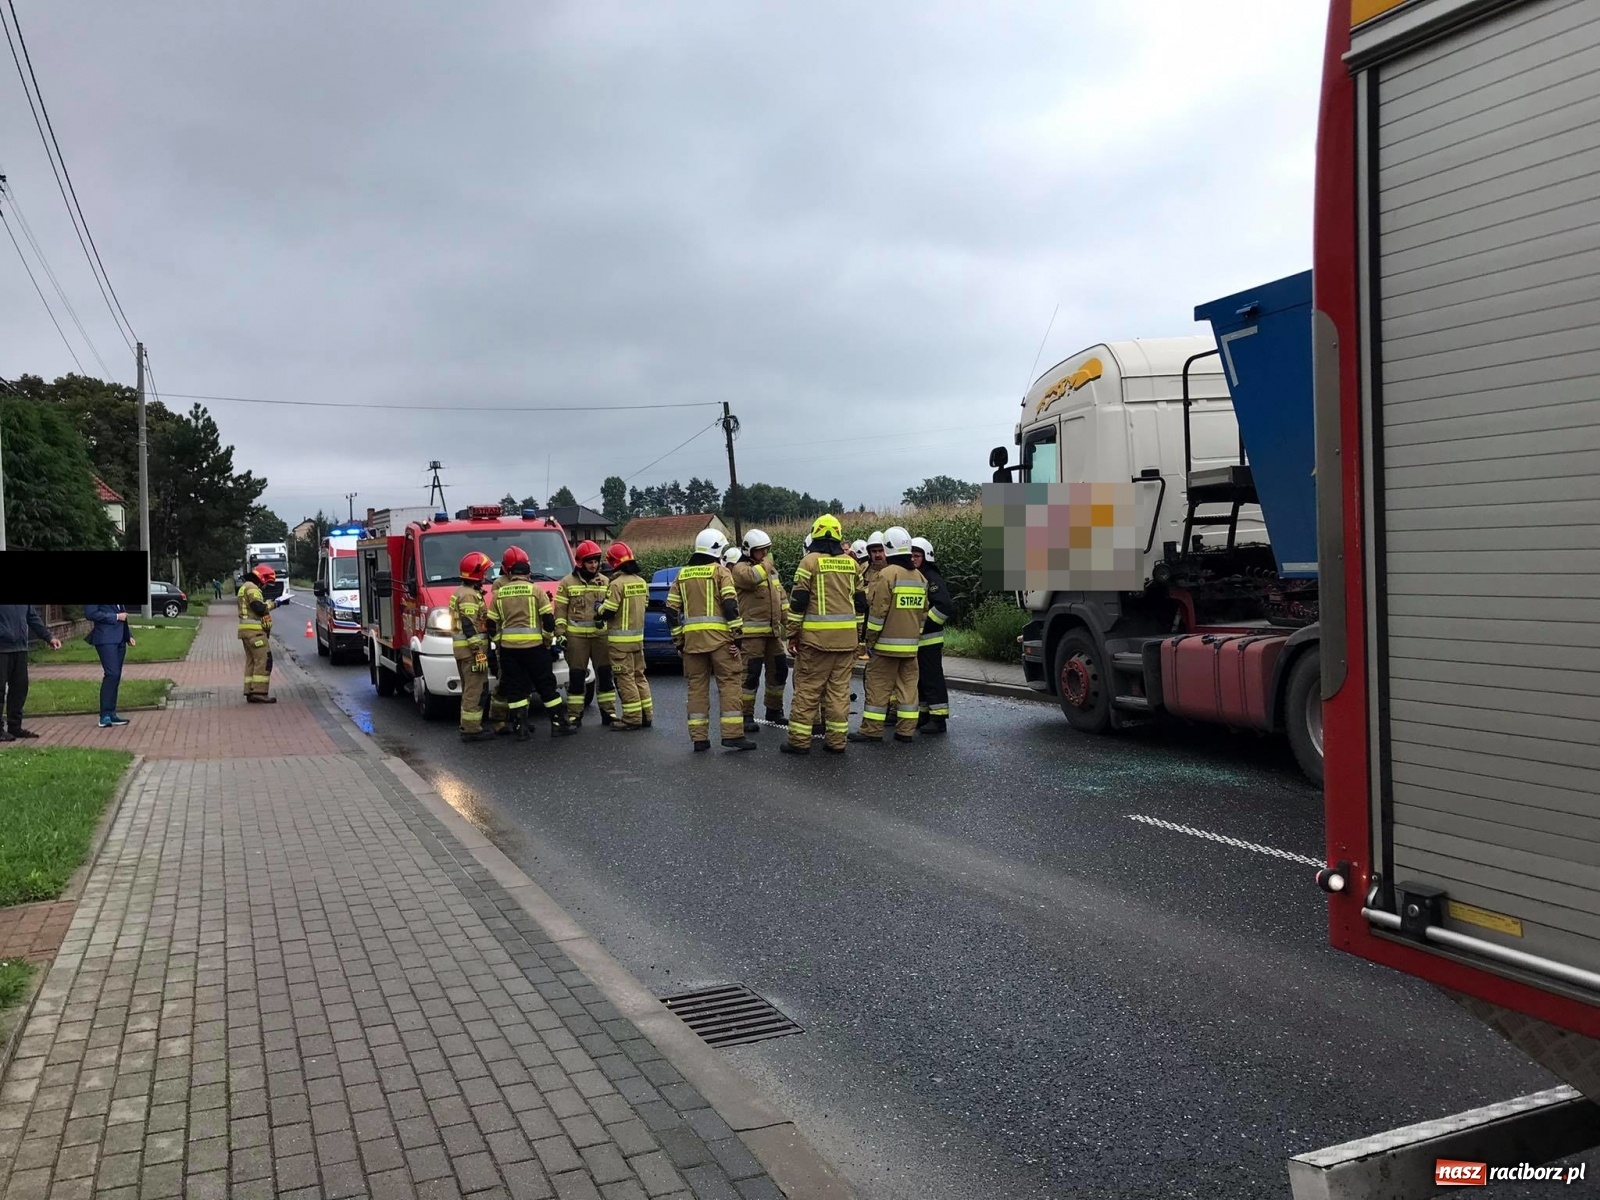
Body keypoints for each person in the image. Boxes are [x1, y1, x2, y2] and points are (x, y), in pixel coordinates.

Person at [665, 528, 755, 752]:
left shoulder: (682, 575)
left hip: (692, 644)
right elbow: (730, 607)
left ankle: (699, 739)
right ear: (716, 548)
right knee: (730, 684)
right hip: (721, 642)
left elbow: (671, 612)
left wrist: (679, 642)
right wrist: (738, 639)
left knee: (696, 688)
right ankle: (732, 735)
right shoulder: (721, 572)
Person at [782, 515, 865, 755]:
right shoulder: (852, 564)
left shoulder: (809, 562)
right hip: (846, 642)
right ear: (838, 536)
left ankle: (799, 741)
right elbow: (860, 605)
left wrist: (792, 634)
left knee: (808, 691)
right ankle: (837, 742)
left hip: (816, 642)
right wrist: (858, 636)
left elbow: (798, 603)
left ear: (815, 534)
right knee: (839, 693)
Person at [486, 546, 575, 740]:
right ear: (528, 573)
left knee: (515, 688)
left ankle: (521, 728)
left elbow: (491, 624)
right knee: (546, 686)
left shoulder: (499, 593)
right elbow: (549, 620)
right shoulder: (536, 590)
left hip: (509, 651)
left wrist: (499, 642)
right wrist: (545, 641)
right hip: (535, 649)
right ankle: (558, 724)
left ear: (510, 573)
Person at [852, 527, 926, 743]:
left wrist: (870, 641)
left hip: (885, 647)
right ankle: (906, 731)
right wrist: (915, 638)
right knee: (908, 690)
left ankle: (871, 730)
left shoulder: (887, 574)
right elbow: (922, 614)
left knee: (877, 687)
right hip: (910, 647)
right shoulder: (919, 577)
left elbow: (877, 613)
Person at [730, 528, 787, 733]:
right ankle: (745, 714)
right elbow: (753, 577)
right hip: (751, 635)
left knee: (779, 670)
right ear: (749, 551)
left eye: (767, 550)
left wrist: (790, 626)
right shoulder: (741, 569)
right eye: (761, 551)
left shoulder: (770, 572)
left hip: (772, 633)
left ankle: (774, 710)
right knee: (750, 674)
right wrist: (767, 564)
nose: (765, 554)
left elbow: (782, 599)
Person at [554, 540, 615, 728]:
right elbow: (560, 612)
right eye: (590, 562)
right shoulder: (567, 583)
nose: (594, 565)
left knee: (605, 675)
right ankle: (574, 716)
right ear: (580, 562)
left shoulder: (606, 582)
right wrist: (560, 633)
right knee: (577, 677)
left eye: (596, 561)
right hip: (576, 638)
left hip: (600, 637)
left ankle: (609, 712)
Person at [595, 541, 652, 731]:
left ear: (613, 563)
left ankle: (632, 718)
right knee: (639, 677)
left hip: (619, 643)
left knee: (625, 679)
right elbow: (644, 606)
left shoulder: (617, 584)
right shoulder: (641, 582)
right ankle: (646, 715)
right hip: (638, 640)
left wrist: (598, 608)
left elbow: (609, 612)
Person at [450, 552, 496, 741]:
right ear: (476, 573)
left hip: (464, 650)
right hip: (471, 651)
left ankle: (470, 725)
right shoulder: (468, 596)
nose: (485, 576)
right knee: (474, 688)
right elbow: (469, 625)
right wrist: (478, 651)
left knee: (471, 687)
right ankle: (471, 729)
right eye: (483, 572)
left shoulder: (463, 592)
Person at [0, 605, 62, 740]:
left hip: (20, 648)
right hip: (2, 649)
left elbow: (33, 618)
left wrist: (49, 637)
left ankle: (15, 727)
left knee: (20, 689)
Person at [911, 537, 952, 734]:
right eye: (910, 555)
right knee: (921, 679)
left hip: (930, 638)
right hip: (920, 639)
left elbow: (944, 605)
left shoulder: (930, 576)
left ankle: (938, 718)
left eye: (917, 556)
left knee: (932, 678)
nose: (913, 559)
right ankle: (925, 714)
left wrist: (925, 626)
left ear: (925, 557)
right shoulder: (917, 575)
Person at [237, 564, 287, 703]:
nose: (265, 586)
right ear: (262, 578)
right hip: (255, 632)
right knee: (264, 660)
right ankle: (260, 692)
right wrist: (274, 604)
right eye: (266, 583)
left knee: (252, 661)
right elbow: (258, 608)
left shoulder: (244, 587)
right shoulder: (253, 588)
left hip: (245, 631)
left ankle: (249, 691)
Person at [84, 603, 137, 728]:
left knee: (116, 676)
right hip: (105, 638)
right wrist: (116, 617)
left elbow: (123, 614)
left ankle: (112, 713)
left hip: (120, 639)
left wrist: (128, 635)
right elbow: (91, 614)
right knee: (111, 674)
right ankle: (105, 715)